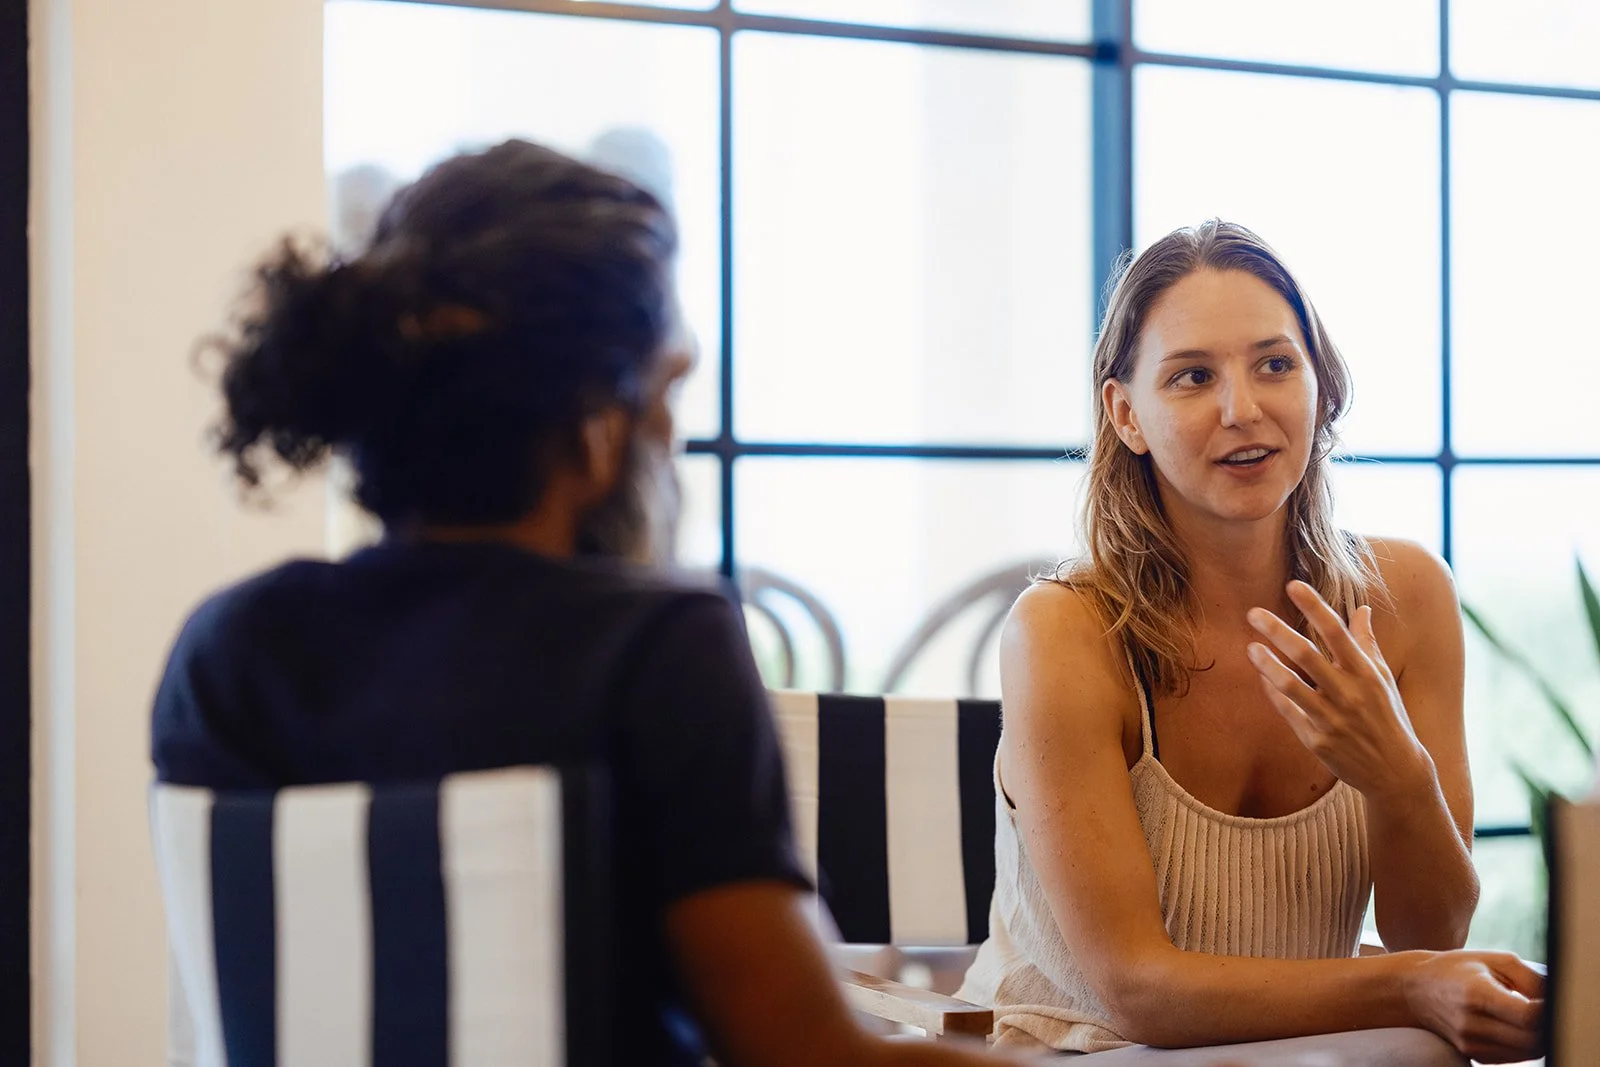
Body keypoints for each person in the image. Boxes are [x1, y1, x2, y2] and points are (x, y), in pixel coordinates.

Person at [151, 140, 1014, 1067]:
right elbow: (804, 1053)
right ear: (599, 427)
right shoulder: (654, 648)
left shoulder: (231, 650)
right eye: (667, 389)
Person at [956, 221, 1544, 1063]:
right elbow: (1139, 988)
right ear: (1126, 414)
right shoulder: (1065, 630)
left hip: (1287, 1047)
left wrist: (1397, 774)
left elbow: (1431, 929)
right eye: (1193, 376)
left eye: (1276, 363)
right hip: (1077, 1047)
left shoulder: (1406, 596)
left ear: (1321, 386)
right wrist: (1411, 983)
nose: (1244, 408)